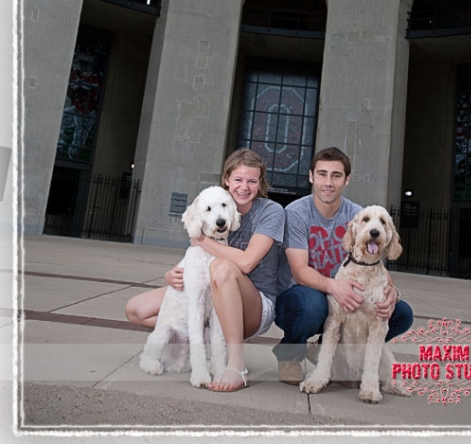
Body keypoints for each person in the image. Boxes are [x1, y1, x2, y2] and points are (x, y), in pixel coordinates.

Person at [125, 148, 284, 392]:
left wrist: (201, 240)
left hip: (254, 305)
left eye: (252, 181)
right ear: (227, 180)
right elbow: (195, 254)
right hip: (210, 293)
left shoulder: (271, 212)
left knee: (220, 268)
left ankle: (236, 364)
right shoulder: (211, 203)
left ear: (260, 183)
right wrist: (172, 274)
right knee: (136, 309)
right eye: (238, 179)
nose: (244, 187)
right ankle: (193, 338)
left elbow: (247, 262)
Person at [273, 146, 414, 385]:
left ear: (346, 179)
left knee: (401, 313)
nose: (328, 182)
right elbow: (299, 271)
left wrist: (393, 293)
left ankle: (325, 350)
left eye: (336, 175)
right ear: (311, 176)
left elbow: (373, 264)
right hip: (301, 298)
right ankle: (290, 354)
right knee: (313, 303)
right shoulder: (296, 213)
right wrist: (334, 286)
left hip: (343, 297)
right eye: (322, 174)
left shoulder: (359, 215)